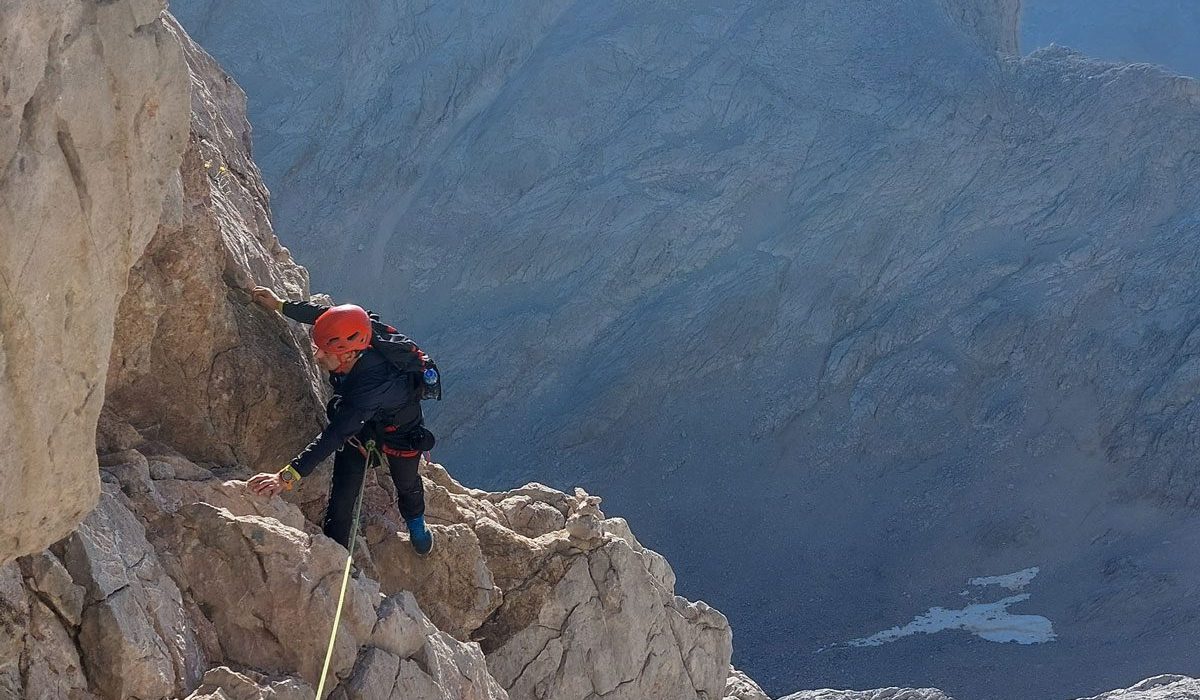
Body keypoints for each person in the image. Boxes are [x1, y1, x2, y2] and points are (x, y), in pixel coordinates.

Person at [245, 286, 434, 556]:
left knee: (406, 482)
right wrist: (281, 305)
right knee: (343, 492)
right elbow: (327, 318)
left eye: (325, 352)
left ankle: (416, 525)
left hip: (399, 432)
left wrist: (286, 476)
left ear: (348, 354)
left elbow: (334, 435)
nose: (317, 355)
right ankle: (336, 550)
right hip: (363, 427)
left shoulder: (371, 387)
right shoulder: (362, 329)